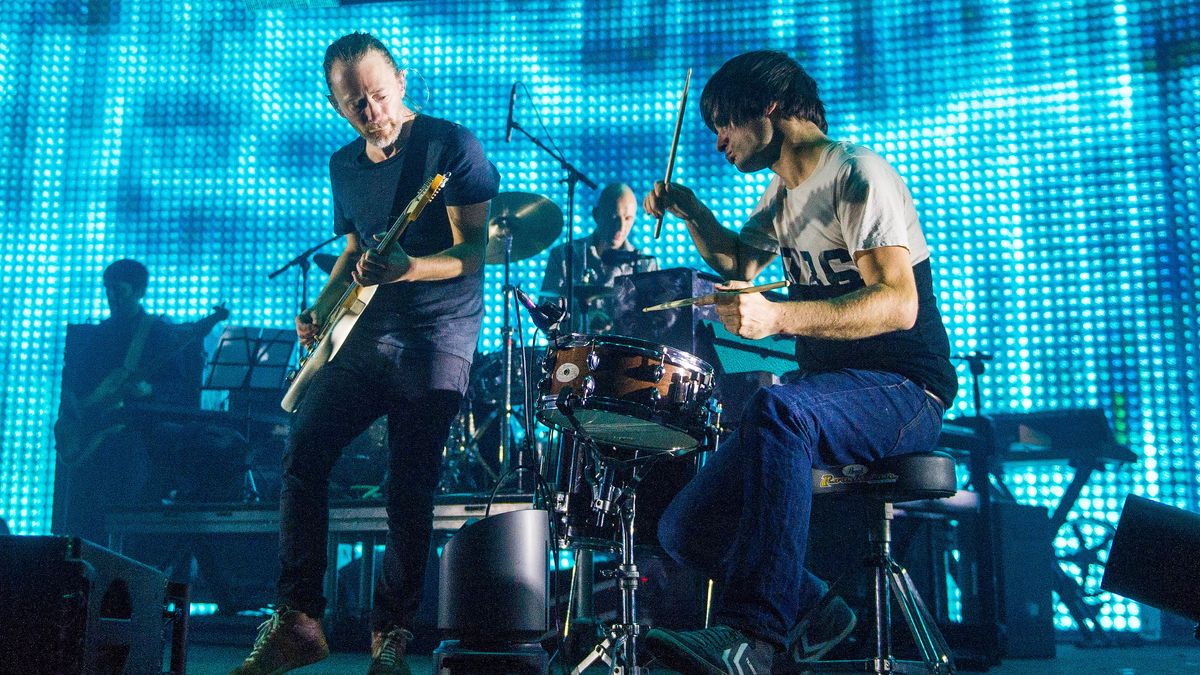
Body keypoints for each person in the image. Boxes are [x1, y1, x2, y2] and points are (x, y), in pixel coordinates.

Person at [640, 50, 958, 674]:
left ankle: (753, 639)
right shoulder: (784, 194)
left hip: (904, 391)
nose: (718, 141)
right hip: (828, 392)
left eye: (723, 123)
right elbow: (738, 264)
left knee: (780, 405)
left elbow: (898, 303)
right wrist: (692, 211)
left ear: (769, 106)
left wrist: (779, 316)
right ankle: (819, 608)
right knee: (686, 530)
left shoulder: (856, 175)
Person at [232, 32, 498, 675]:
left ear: (401, 83)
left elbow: (476, 252)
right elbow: (353, 250)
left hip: (440, 332)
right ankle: (298, 621)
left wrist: (407, 269)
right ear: (336, 105)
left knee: (409, 482)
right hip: (365, 334)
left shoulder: (450, 146)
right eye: (356, 103)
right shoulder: (343, 165)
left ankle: (393, 636)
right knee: (304, 449)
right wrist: (321, 311)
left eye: (379, 95)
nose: (372, 111)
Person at [54, 259, 209, 542]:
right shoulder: (96, 336)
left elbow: (179, 390)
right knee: (83, 518)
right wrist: (76, 409)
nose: (111, 297)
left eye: (119, 290)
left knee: (124, 505)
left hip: (137, 437)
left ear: (139, 291)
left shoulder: (158, 334)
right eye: (108, 289)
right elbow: (75, 385)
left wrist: (150, 391)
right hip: (95, 436)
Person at [539, 182, 657, 332]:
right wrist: (582, 320)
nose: (620, 226)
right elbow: (546, 317)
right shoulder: (564, 256)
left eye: (628, 218)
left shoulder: (645, 264)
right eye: (614, 217)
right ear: (596, 215)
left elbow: (655, 323)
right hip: (575, 353)